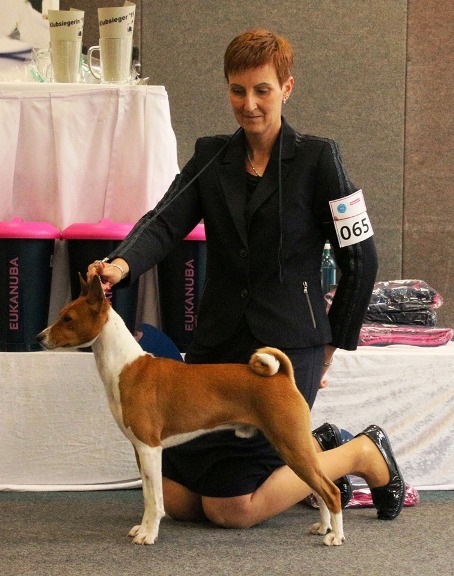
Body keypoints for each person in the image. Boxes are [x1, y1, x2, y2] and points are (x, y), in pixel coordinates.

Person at [88, 29, 405, 528]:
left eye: (262, 90)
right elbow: (164, 221)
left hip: (289, 345)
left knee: (230, 509)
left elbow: (361, 259)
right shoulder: (211, 156)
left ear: (287, 88)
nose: (249, 104)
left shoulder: (319, 159)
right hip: (217, 344)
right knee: (178, 500)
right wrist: (121, 264)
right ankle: (312, 448)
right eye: (238, 91)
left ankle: (359, 453)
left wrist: (331, 344)